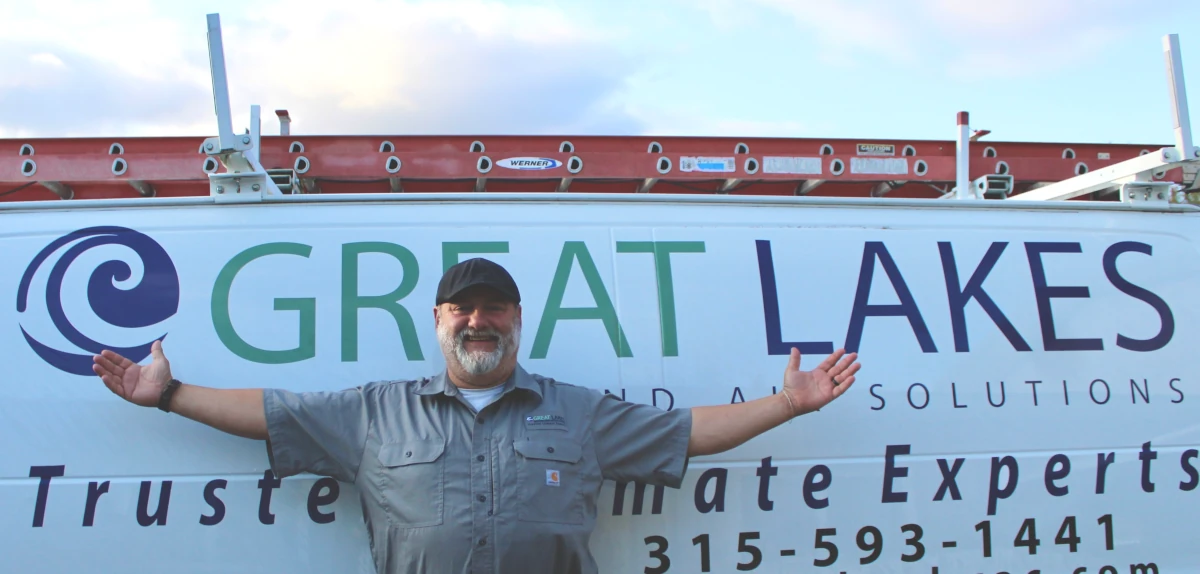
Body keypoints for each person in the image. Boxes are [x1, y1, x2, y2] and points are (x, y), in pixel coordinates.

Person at [92, 258, 860, 574]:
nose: (477, 321)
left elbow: (687, 432)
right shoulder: (375, 412)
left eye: (493, 308)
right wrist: (169, 393)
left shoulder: (579, 412)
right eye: (462, 309)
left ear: (518, 319)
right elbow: (272, 412)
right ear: (438, 321)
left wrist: (788, 404)